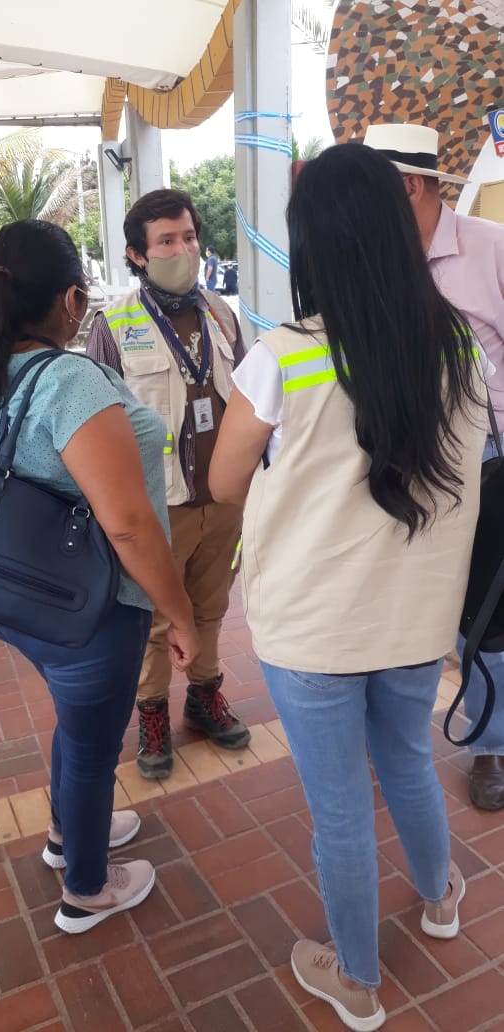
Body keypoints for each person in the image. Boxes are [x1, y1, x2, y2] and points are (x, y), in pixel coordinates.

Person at [209, 143, 487, 1031]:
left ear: (314, 243)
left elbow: (222, 481)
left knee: (338, 810)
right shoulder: (457, 345)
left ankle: (357, 981)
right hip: (416, 619)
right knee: (405, 759)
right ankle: (440, 898)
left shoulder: (281, 357)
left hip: (310, 627)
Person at [0, 219, 199, 934]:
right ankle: (86, 890)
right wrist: (180, 613)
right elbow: (128, 527)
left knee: (78, 723)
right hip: (92, 605)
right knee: (95, 747)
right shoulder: (69, 382)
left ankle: (67, 834)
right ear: (70, 300)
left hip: (23, 596)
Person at [85, 189, 250, 779]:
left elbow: (248, 404)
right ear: (137, 255)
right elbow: (97, 424)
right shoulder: (113, 325)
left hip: (223, 500)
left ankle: (204, 697)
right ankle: (151, 714)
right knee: (154, 618)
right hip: (158, 506)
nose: (184, 250)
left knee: (211, 606)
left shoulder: (223, 315)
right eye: (166, 242)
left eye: (188, 237)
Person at [365, 121, 504, 811]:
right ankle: (391, 736)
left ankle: (491, 744)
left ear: (411, 186)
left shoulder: (490, 247)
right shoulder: (371, 260)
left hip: (486, 460)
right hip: (398, 461)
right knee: (405, 599)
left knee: (487, 610)